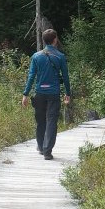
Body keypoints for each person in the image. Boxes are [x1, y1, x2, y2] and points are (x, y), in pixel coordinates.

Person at [21, 28, 71, 160]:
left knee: (40, 121)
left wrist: (25, 94)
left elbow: (31, 76)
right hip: (53, 94)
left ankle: (41, 148)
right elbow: (65, 77)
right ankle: (47, 151)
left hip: (40, 94)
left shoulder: (36, 56)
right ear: (55, 40)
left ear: (44, 40)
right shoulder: (60, 56)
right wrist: (68, 93)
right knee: (51, 121)